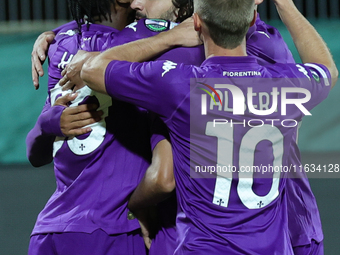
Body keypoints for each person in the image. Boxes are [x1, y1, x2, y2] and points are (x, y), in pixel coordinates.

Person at [31, 0, 327, 254]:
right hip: (279, 235)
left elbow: (163, 177)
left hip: (200, 241)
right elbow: (326, 69)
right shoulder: (284, 79)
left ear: (196, 21)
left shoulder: (179, 82)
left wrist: (134, 205)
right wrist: (285, 3)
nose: (136, 4)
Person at [26, 0, 175, 254]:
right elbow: (202, 29)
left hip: (51, 231)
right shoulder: (147, 40)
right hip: (110, 231)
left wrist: (50, 121)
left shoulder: (62, 44)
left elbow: (34, 154)